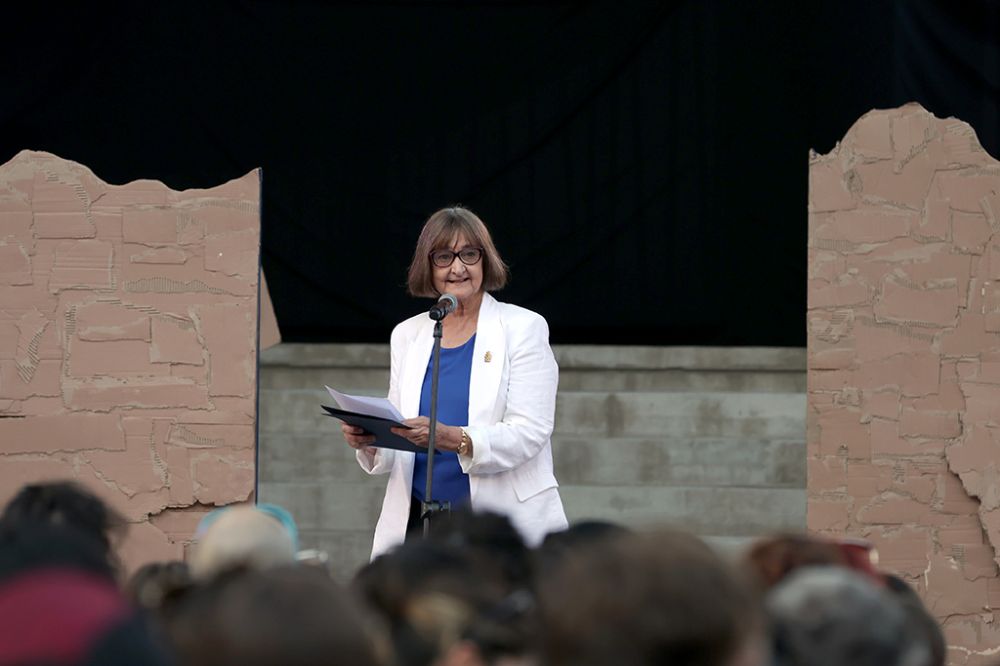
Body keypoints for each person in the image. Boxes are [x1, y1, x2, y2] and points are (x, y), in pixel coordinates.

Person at [343, 206, 567, 558]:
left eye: (469, 254)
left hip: (497, 526)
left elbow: (531, 431)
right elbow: (402, 434)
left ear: (485, 261)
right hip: (420, 523)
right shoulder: (410, 333)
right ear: (428, 266)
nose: (458, 267)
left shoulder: (523, 327)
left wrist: (456, 438)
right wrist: (371, 440)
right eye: (444, 256)